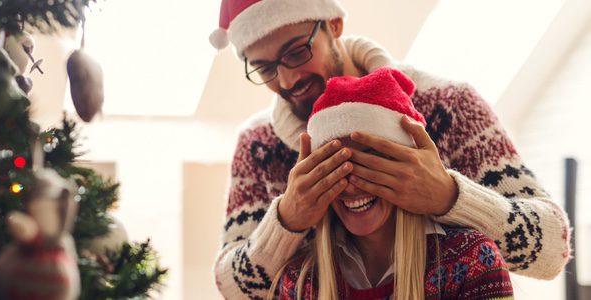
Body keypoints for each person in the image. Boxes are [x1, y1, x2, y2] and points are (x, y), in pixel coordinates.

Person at [208, 0, 571, 299]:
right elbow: (230, 288)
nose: (287, 80)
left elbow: (553, 248)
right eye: (264, 68)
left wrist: (449, 196)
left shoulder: (448, 106)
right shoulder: (258, 145)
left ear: (334, 24)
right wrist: (287, 220)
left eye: (297, 52)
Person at [269, 67, 513, 300]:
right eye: (335, 166)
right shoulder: (301, 281)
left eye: (369, 160)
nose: (352, 186)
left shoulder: (473, 261)